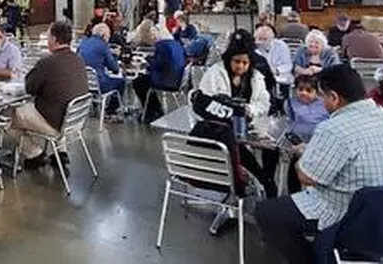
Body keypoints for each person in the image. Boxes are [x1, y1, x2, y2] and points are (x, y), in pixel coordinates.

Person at [255, 65, 383, 264]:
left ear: (333, 97)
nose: (321, 102)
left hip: (353, 216)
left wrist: (304, 153)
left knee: (267, 212)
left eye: (322, 96)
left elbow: (307, 177)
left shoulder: (333, 128)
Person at [199, 32, 276, 196]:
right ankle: (262, 181)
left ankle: (265, 180)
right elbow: (204, 102)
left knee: (272, 150)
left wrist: (250, 109)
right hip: (219, 130)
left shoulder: (256, 77)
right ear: (229, 59)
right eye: (236, 61)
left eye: (244, 63)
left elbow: (264, 103)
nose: (240, 66)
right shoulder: (214, 74)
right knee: (236, 147)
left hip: (249, 126)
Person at [10, 20, 88, 171]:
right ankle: (61, 151)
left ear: (53, 39)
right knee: (61, 103)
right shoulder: (78, 59)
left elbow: (29, 88)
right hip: (75, 121)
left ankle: (34, 153)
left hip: (56, 124)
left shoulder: (47, 62)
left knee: (9, 116)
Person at [133, 27, 185, 122]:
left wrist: (147, 59)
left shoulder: (162, 46)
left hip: (165, 80)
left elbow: (157, 64)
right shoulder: (177, 44)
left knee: (138, 82)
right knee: (144, 82)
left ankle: (149, 112)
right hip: (177, 79)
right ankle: (156, 109)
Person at [77, 23, 125, 115]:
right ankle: (111, 110)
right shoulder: (103, 46)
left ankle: (95, 106)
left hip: (84, 83)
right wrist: (115, 56)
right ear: (104, 35)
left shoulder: (83, 43)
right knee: (121, 82)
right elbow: (114, 68)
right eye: (108, 35)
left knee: (99, 77)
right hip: (100, 84)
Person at [285, 74, 329, 142]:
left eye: (309, 90)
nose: (304, 93)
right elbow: (289, 121)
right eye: (300, 89)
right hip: (298, 139)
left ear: (316, 92)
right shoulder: (290, 104)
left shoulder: (324, 104)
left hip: (319, 138)